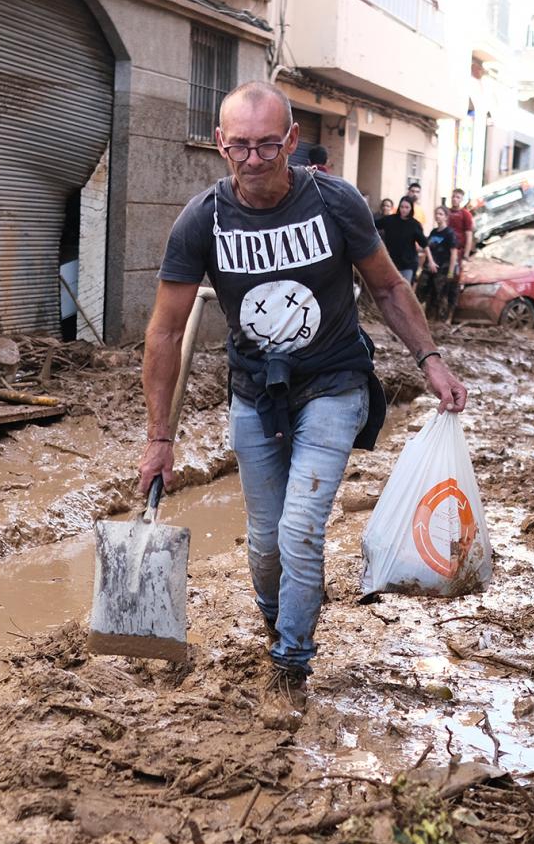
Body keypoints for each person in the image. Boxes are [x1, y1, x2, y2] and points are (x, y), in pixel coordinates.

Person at [140, 80, 468, 725]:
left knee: (299, 528)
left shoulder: (334, 202)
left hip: (334, 382)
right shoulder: (201, 219)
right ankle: (282, 620)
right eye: (240, 146)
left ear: (291, 140)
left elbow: (388, 288)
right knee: (264, 543)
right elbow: (165, 330)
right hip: (255, 391)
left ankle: (290, 664)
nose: (254, 159)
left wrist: (430, 360)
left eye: (268, 144)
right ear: (220, 145)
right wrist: (159, 436)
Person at [375, 196, 429, 285]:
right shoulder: (390, 219)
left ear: (411, 209)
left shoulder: (414, 224)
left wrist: (430, 260)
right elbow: (374, 224)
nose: (404, 210)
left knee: (404, 289)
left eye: (407, 207)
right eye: (402, 207)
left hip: (407, 264)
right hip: (391, 262)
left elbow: (424, 243)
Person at [417, 206, 458, 320]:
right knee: (423, 292)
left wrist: (450, 272)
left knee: (440, 296)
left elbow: (454, 253)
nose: (437, 216)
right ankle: (427, 318)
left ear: (446, 217)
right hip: (429, 268)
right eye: (436, 214)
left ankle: (441, 321)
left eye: (440, 214)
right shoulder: (433, 232)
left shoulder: (449, 233)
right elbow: (428, 248)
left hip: (443, 269)